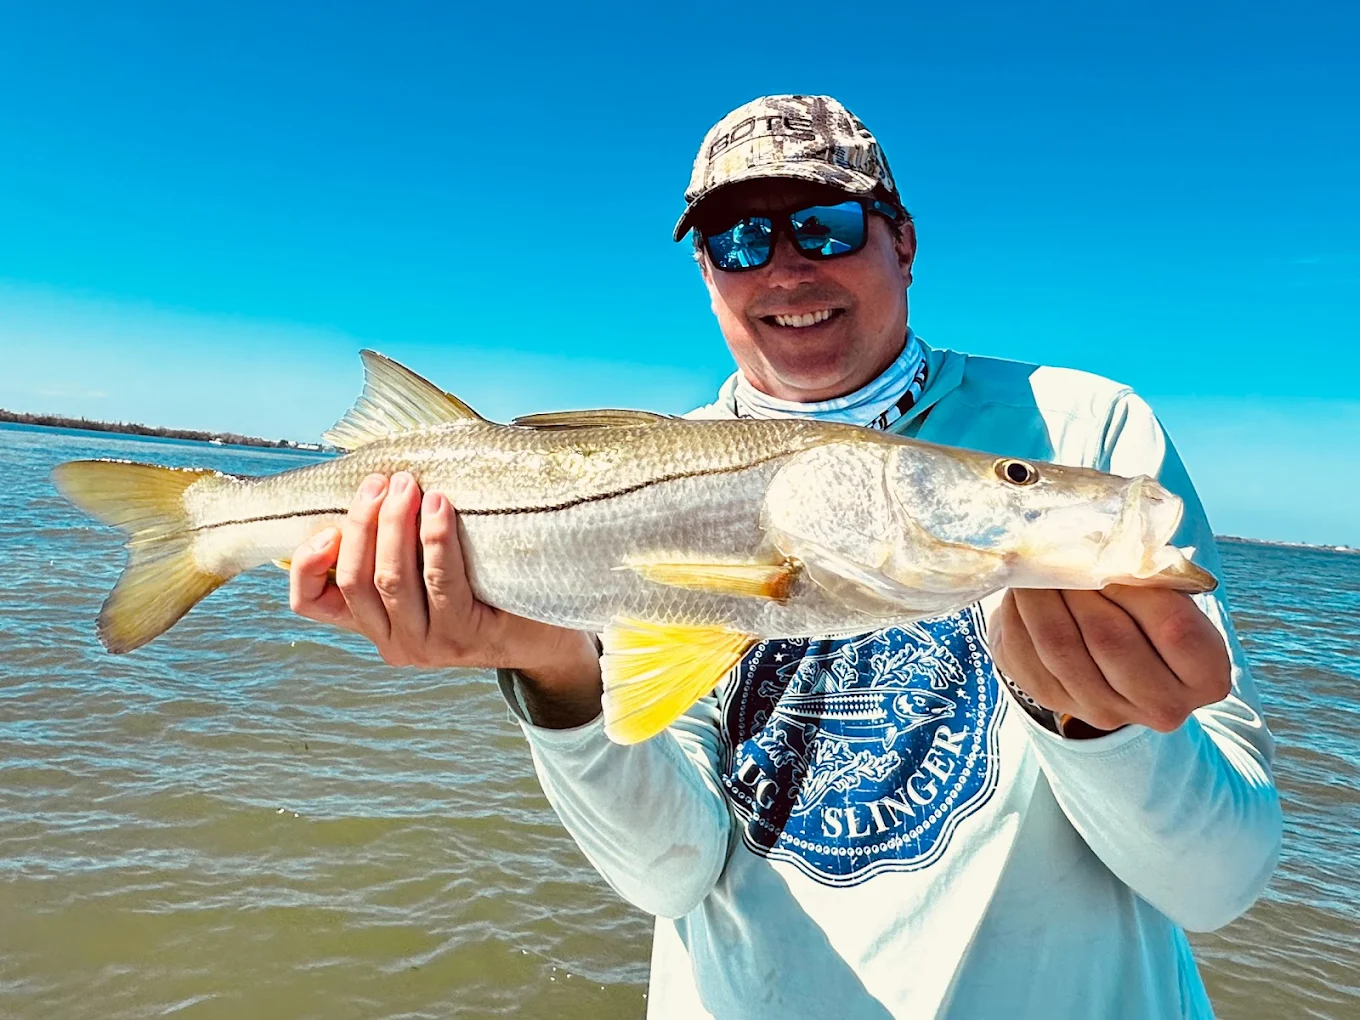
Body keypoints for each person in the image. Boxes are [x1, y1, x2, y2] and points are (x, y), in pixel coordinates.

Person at [287, 95, 1281, 1019]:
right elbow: (668, 876)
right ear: (706, 272)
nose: (785, 267)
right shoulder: (640, 490)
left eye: (826, 226)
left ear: (903, 241)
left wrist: (1099, 726)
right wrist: (553, 673)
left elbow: (1218, 885)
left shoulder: (1079, 428)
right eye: (738, 239)